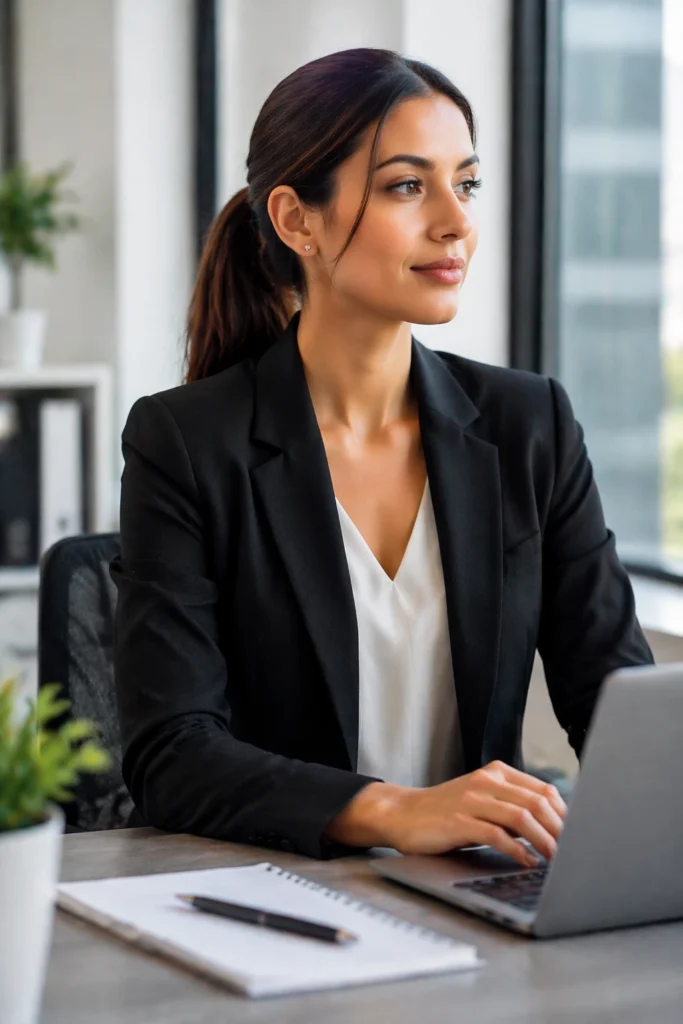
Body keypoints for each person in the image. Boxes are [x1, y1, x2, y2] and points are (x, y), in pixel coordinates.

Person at [110, 47, 654, 866]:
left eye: (465, 184)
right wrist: (393, 812)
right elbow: (173, 755)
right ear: (298, 220)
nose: (456, 221)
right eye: (407, 186)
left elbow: (620, 705)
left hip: (471, 894)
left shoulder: (527, 424)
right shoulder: (186, 443)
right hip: (278, 895)